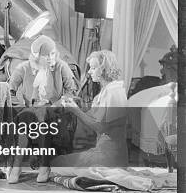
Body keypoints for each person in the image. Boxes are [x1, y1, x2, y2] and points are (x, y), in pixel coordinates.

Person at [7, 35, 78, 183]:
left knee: (43, 116)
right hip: (29, 110)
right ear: (37, 57)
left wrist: (57, 105)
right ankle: (17, 166)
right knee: (27, 117)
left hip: (55, 110)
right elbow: (8, 91)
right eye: (47, 56)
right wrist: (19, 107)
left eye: (53, 54)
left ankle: (42, 166)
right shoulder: (24, 68)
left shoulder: (61, 66)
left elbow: (71, 91)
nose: (51, 58)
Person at [53, 50, 128, 168]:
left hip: (109, 156)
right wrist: (74, 105)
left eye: (93, 68)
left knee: (57, 163)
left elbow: (101, 127)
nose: (89, 72)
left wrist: (75, 110)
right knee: (57, 161)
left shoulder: (114, 91)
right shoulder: (106, 91)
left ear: (104, 69)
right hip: (103, 151)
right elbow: (93, 117)